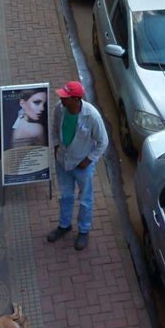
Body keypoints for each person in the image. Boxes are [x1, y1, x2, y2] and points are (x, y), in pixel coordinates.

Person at [47, 81, 108, 251]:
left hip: (82, 165)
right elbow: (54, 128)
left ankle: (84, 230)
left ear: (76, 99)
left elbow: (103, 142)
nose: (61, 99)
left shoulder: (92, 116)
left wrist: (89, 160)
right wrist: (56, 146)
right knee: (65, 195)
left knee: (85, 200)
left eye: (65, 97)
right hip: (63, 161)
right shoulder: (60, 108)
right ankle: (64, 225)